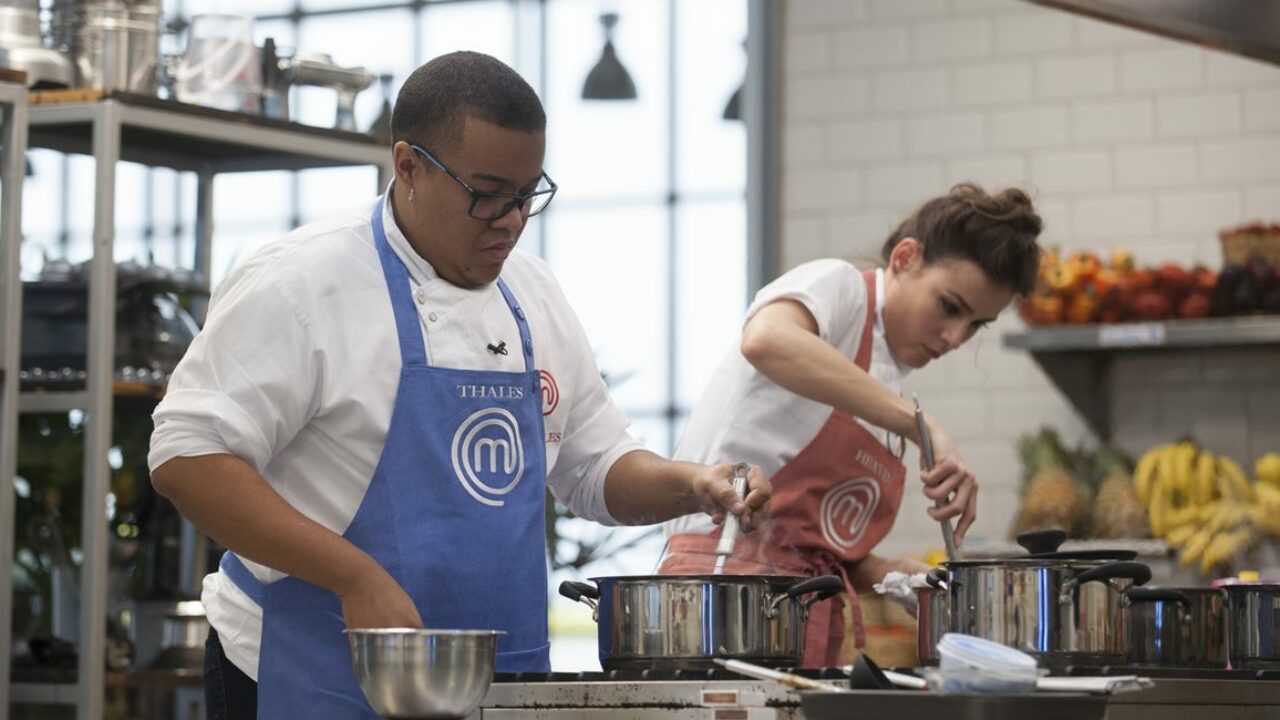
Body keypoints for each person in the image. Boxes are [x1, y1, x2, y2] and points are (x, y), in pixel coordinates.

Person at [147, 51, 769, 719]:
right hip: (306, 670)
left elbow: (596, 466)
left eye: (529, 194)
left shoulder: (535, 293)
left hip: (492, 684)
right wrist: (353, 576)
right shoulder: (303, 281)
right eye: (487, 192)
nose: (511, 219)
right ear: (407, 165)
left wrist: (692, 481)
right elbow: (187, 457)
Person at [659, 183, 1043, 666]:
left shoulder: (891, 393)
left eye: (976, 325)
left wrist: (894, 575)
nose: (955, 338)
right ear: (905, 258)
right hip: (723, 598)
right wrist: (923, 429)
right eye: (950, 306)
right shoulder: (838, 288)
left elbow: (810, 544)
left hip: (802, 615)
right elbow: (766, 339)